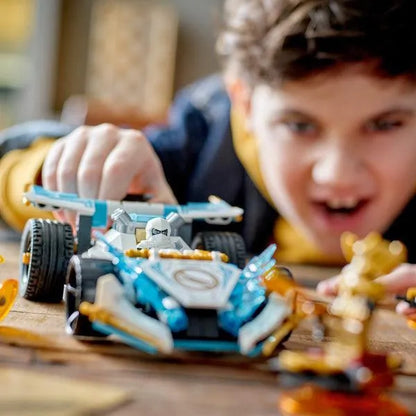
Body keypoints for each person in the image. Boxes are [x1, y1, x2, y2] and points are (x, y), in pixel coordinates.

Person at [0, 0, 415, 314]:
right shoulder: (200, 139)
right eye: (299, 126)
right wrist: (57, 168)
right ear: (245, 105)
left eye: (385, 125)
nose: (337, 174)